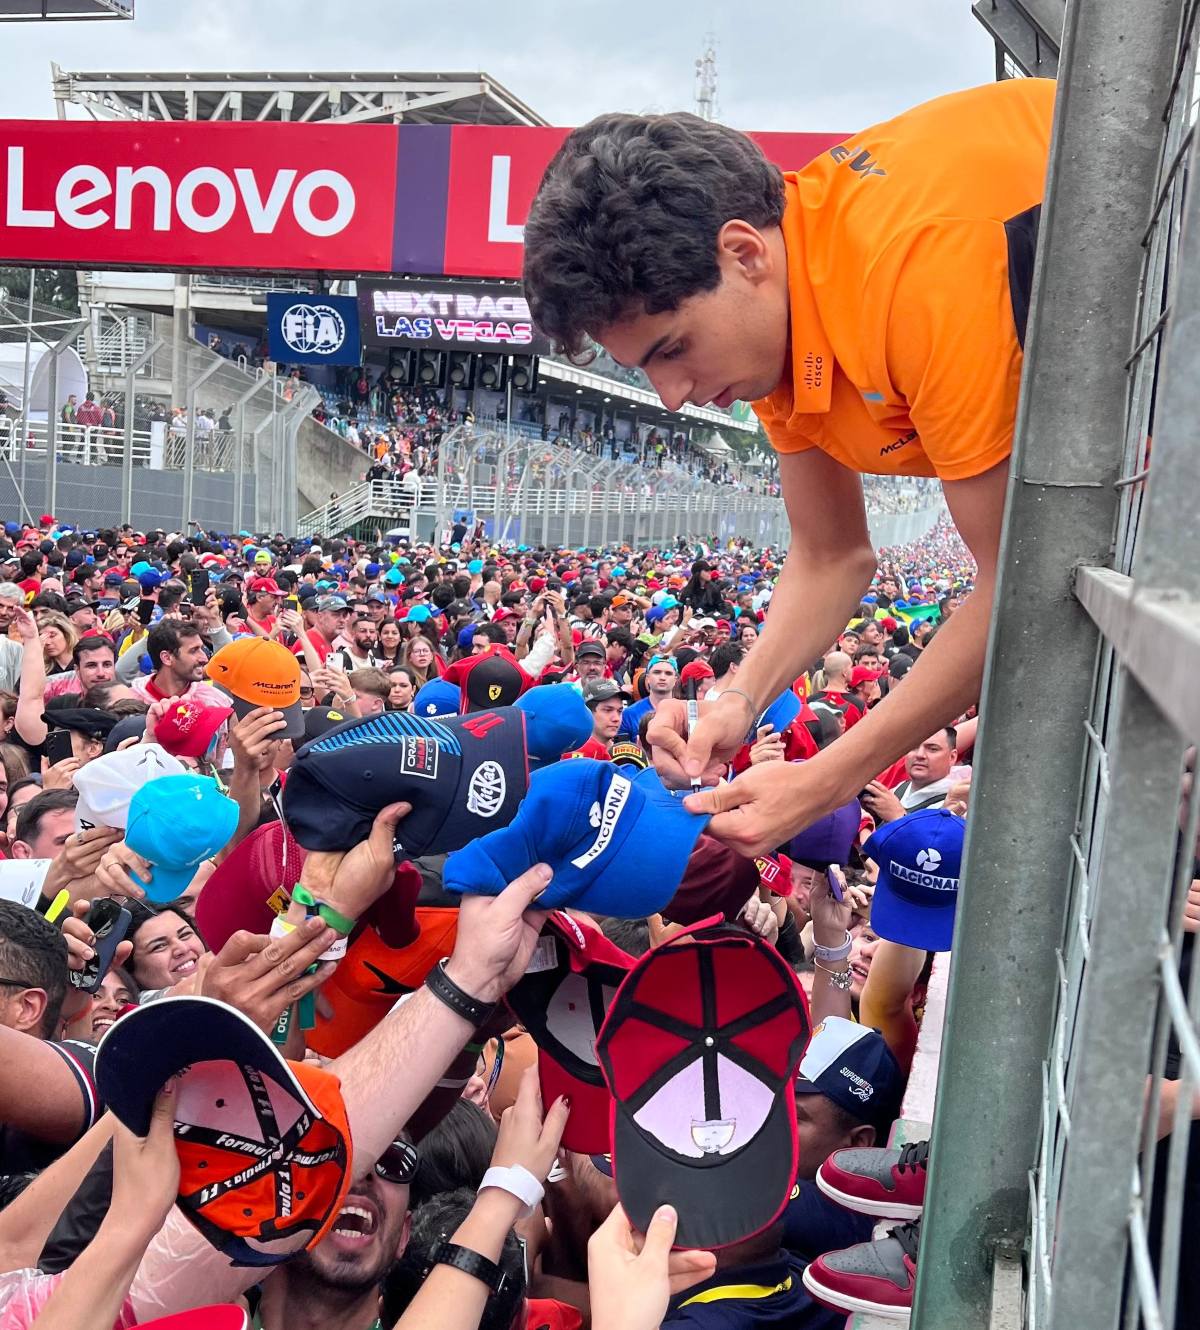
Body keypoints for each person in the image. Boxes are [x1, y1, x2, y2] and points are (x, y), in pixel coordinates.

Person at [522, 80, 1053, 854]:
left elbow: (1020, 579)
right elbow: (831, 554)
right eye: (645, 369)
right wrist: (734, 702)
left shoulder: (919, 276)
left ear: (744, 255)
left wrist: (826, 779)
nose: (672, 398)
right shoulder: (782, 297)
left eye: (672, 349)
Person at [862, 726, 959, 822]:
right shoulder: (901, 788)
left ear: (952, 757)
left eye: (932, 749)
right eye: (913, 747)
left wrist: (898, 817)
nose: (920, 755)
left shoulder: (956, 806)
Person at [617, 654, 677, 740]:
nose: (662, 677)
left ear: (675, 680)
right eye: (657, 672)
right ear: (647, 678)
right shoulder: (629, 714)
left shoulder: (685, 711)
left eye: (668, 673)